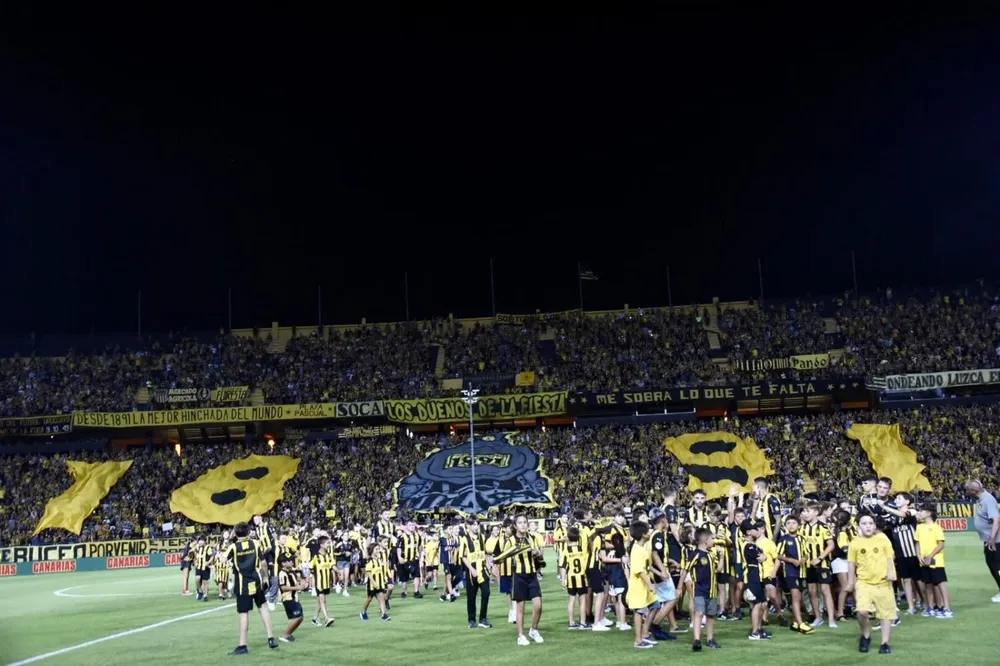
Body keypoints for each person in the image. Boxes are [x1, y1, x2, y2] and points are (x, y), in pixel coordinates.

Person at [224, 522, 278, 655]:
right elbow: (264, 563)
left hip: (243, 585)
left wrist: (230, 540)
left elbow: (223, 559)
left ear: (236, 534)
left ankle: (243, 645)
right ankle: (271, 638)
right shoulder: (256, 543)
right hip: (257, 581)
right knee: (263, 608)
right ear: (249, 532)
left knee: (244, 614)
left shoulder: (233, 547)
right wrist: (265, 578)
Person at [846, 514, 896, 654]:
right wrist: (850, 581)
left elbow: (889, 556)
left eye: (870, 523)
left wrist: (891, 572)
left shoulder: (882, 538)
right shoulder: (855, 543)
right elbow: (851, 564)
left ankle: (885, 643)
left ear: (874, 525)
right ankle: (866, 635)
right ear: (858, 526)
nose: (868, 526)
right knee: (862, 611)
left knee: (886, 614)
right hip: (864, 582)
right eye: (864, 523)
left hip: (883, 582)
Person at [495, 514, 544, 646]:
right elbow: (501, 558)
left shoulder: (532, 538)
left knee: (538, 605)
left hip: (532, 575)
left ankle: (533, 629)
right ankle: (521, 635)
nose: (523, 525)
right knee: (520, 608)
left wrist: (538, 554)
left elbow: (540, 559)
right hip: (519, 576)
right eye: (520, 523)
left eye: (525, 522)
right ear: (515, 526)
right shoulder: (511, 541)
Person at [801, 502, 837, 628]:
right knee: (812, 592)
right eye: (804, 511)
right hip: (808, 565)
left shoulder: (823, 527)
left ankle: (832, 620)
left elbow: (831, 545)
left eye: (808, 511)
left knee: (826, 591)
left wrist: (820, 557)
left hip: (822, 564)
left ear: (816, 512)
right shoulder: (802, 528)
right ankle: (818, 617)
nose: (805, 514)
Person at [915, 503, 953, 618]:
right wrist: (919, 555)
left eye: (921, 511)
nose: (919, 513)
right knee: (928, 584)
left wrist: (930, 556)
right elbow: (917, 542)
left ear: (928, 513)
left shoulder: (936, 527)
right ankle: (930, 607)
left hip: (936, 560)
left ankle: (947, 608)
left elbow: (941, 544)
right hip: (923, 560)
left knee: (940, 583)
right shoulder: (919, 527)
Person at [776, 515, 812, 633]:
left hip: (801, 571)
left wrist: (804, 559)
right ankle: (800, 623)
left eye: (794, 523)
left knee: (799, 597)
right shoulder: (784, 539)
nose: (791, 525)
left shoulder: (802, 539)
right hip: (790, 571)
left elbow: (807, 553)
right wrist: (791, 560)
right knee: (795, 596)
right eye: (789, 523)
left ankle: (795, 622)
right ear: (785, 526)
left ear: (799, 525)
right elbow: (778, 555)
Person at [965, 480, 1000, 601]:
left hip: (995, 541)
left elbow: (996, 520)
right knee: (993, 566)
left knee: (996, 566)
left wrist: (992, 540)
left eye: (967, 490)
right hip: (990, 540)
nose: (966, 492)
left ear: (973, 491)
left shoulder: (988, 500)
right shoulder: (981, 499)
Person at [687, 527, 721, 651]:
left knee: (711, 615)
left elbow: (718, 570)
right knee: (699, 613)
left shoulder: (711, 555)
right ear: (706, 540)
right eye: (712, 538)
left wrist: (721, 558)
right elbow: (685, 569)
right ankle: (697, 639)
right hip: (700, 589)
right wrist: (680, 587)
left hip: (712, 590)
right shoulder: (695, 554)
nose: (714, 541)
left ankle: (710, 639)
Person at [625, 520, 657, 649]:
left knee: (656, 605)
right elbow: (640, 571)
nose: (650, 534)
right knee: (639, 611)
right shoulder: (637, 550)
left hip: (644, 585)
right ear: (644, 534)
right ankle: (638, 640)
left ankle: (644, 633)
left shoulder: (641, 548)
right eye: (648, 532)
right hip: (639, 586)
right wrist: (650, 585)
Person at [457, 516, 492, 629]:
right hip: (472, 573)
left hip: (483, 570)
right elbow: (463, 557)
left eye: (477, 524)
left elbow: (485, 553)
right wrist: (472, 570)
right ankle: (471, 620)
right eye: (473, 525)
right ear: (468, 526)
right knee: (471, 597)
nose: (476, 527)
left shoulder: (482, 537)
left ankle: (483, 619)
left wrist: (488, 566)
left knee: (486, 593)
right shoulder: (464, 539)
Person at [740, 519, 772, 641]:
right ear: (748, 532)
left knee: (762, 604)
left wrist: (764, 556)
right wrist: (763, 556)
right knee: (757, 604)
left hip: (758, 577)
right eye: (754, 528)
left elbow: (763, 556)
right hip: (752, 577)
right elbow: (761, 558)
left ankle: (758, 628)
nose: (757, 530)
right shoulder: (748, 546)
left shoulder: (753, 545)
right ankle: (754, 631)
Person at [558, 525, 589, 630]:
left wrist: (563, 579)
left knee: (571, 601)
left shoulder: (566, 551)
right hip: (581, 577)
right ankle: (583, 623)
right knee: (583, 600)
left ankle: (571, 622)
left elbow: (562, 566)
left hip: (571, 578)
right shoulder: (582, 550)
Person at [277, 554, 307, 642]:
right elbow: (283, 587)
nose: (292, 562)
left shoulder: (291, 571)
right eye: (289, 561)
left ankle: (288, 634)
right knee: (297, 617)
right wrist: (297, 588)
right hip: (288, 598)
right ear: (283, 563)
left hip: (295, 598)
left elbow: (298, 580)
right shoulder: (282, 574)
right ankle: (285, 635)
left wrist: (302, 582)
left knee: (300, 617)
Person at [309, 537, 336, 627]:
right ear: (321, 545)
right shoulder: (316, 556)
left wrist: (339, 572)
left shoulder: (328, 555)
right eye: (327, 543)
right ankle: (326, 618)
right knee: (322, 600)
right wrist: (309, 582)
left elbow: (332, 565)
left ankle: (315, 618)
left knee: (319, 601)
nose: (329, 545)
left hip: (327, 582)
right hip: (319, 583)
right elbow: (310, 568)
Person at [252, 515, 278, 610]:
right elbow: (258, 540)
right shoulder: (257, 530)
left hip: (271, 551)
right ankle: (268, 592)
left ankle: (272, 596)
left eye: (256, 519)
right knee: (264, 572)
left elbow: (274, 536)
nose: (255, 521)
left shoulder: (268, 525)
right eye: (254, 520)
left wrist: (275, 546)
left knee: (273, 572)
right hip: (264, 553)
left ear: (260, 518)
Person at [361, 542, 391, 621]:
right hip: (372, 584)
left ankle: (384, 615)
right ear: (372, 551)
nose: (378, 551)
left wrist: (384, 578)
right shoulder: (369, 561)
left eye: (378, 549)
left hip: (380, 582)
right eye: (376, 549)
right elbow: (369, 573)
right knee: (369, 599)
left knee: (381, 597)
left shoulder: (379, 559)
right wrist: (373, 582)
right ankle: (363, 612)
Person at [193, 538, 214, 602]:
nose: (200, 542)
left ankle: (205, 595)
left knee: (205, 582)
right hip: (198, 567)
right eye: (199, 540)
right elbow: (194, 553)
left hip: (205, 568)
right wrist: (195, 562)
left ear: (204, 541)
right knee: (197, 579)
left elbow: (212, 556)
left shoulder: (208, 548)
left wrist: (208, 562)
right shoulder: (197, 547)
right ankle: (199, 591)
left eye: (201, 540)